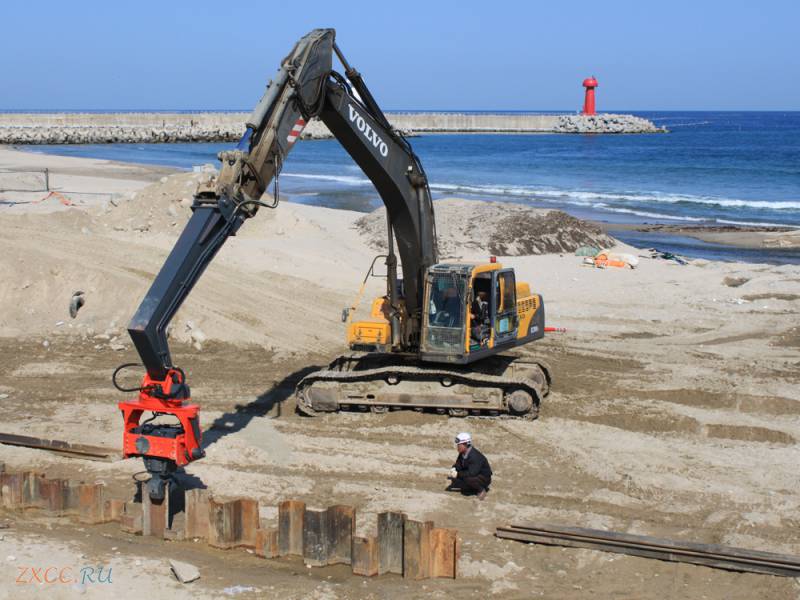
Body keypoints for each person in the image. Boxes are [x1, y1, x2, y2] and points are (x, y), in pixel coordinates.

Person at [446, 432, 492, 500]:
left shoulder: (475, 456)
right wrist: (454, 469)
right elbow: (458, 464)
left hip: (484, 478)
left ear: (465, 444)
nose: (457, 446)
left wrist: (457, 474)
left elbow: (472, 473)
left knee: (468, 477)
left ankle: (481, 490)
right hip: (475, 474)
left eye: (459, 445)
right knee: (460, 477)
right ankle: (471, 487)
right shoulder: (462, 453)